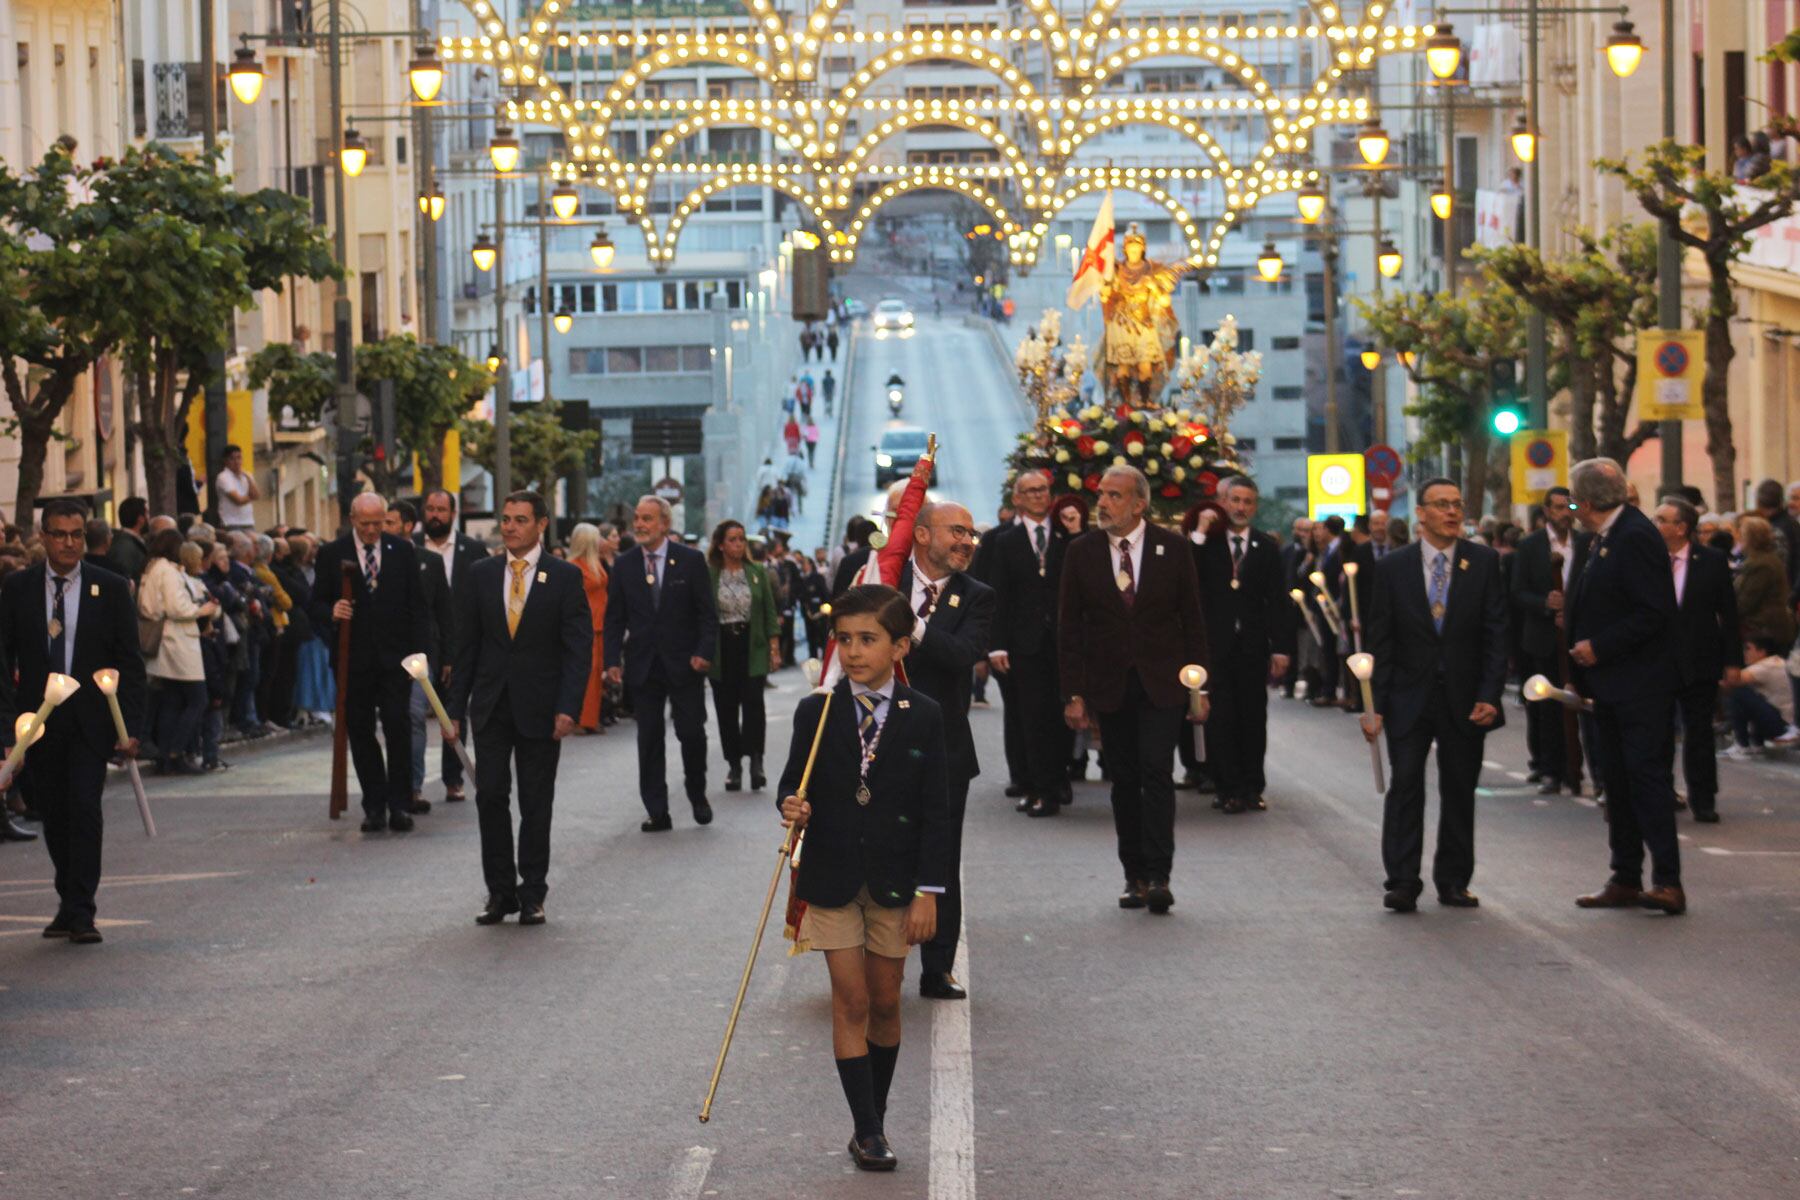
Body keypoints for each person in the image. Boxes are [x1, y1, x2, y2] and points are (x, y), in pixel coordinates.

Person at [776, 584, 951, 1173]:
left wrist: (930, 892)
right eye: (844, 639)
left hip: (897, 884)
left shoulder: (923, 715)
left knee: (884, 1001)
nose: (853, 652)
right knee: (848, 999)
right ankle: (869, 1129)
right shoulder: (816, 710)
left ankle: (871, 1114)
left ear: (899, 647)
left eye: (868, 640)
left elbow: (937, 813)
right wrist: (793, 806)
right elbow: (792, 783)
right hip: (830, 877)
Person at [1059, 466, 1208, 915]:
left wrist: (1200, 687)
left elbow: (1193, 621)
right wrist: (1074, 694)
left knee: (1157, 771)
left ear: (1139, 504)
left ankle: (1161, 874)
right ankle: (1134, 875)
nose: (1102, 503)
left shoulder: (1173, 548)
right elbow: (1069, 627)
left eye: (1114, 496)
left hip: (1162, 683)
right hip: (1110, 686)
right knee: (1123, 779)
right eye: (1100, 494)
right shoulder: (1081, 552)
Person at [0, 499, 146, 944]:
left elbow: (130, 661)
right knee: (55, 814)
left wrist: (131, 728)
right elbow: (3, 659)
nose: (69, 543)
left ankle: (82, 909)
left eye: (77, 534)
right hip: (38, 723)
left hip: (90, 723)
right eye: (60, 534)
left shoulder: (111, 586)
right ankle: (68, 898)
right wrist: (9, 726)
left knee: (84, 809)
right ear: (43, 536)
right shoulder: (18, 589)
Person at [443, 492, 591, 926]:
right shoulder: (481, 574)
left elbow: (577, 648)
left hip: (542, 708)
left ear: (541, 524)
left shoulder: (564, 577)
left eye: (520, 520)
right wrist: (454, 709)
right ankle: (499, 893)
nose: (510, 527)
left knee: (535, 802)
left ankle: (533, 893)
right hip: (490, 706)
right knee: (490, 796)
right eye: (505, 519)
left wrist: (569, 706)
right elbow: (465, 646)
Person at [1362, 479, 1508, 912]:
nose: (1451, 512)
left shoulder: (1482, 563)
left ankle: (1454, 880)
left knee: (1459, 788)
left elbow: (1496, 634)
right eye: (1441, 505)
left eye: (1457, 504)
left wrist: (1490, 693)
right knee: (1406, 785)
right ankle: (1403, 880)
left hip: (1464, 696)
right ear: (1421, 514)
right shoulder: (1393, 567)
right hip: (1409, 696)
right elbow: (1380, 640)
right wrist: (1375, 707)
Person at [1566, 458, 1686, 916]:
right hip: (1610, 686)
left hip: (1640, 685)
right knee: (1616, 783)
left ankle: (1668, 881)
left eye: (1574, 499)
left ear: (1589, 501)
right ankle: (1625, 876)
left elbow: (1652, 613)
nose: (1572, 507)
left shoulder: (1634, 536)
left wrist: (1598, 646)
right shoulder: (1602, 536)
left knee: (1645, 781)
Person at [895, 499, 993, 1000]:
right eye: (957, 531)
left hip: (945, 750)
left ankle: (938, 967)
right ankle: (880, 959)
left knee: (940, 856)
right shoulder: (883, 577)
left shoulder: (976, 596)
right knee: (884, 853)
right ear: (922, 535)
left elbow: (960, 656)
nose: (966, 541)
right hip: (881, 744)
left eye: (970, 534)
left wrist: (907, 624)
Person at [309, 492, 429, 833]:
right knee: (360, 731)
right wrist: (332, 611)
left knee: (398, 726)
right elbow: (314, 602)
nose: (373, 530)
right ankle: (374, 805)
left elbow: (417, 607)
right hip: (353, 661)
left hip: (395, 660)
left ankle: (400, 804)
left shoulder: (402, 551)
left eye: (378, 523)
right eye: (366, 524)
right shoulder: (332, 554)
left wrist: (419, 655)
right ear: (352, 520)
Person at [605, 495, 718, 831]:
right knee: (649, 738)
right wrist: (612, 659)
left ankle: (697, 793)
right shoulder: (624, 565)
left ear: (665, 524)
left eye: (647, 519)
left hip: (685, 664)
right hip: (643, 666)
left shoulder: (691, 560)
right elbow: (614, 619)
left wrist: (704, 652)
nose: (640, 524)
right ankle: (657, 809)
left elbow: (707, 616)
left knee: (691, 733)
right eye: (637, 518)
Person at [1188, 477, 1295, 814]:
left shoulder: (1266, 546)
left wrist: (1281, 647)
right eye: (1235, 500)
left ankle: (1252, 786)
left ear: (1255, 506)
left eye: (1248, 501)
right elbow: (1186, 573)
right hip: (1215, 646)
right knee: (1221, 718)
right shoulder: (1208, 545)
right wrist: (1201, 530)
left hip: (1252, 646)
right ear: (1223, 503)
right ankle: (1227, 786)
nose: (1240, 507)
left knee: (1252, 717)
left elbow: (1278, 600)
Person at [983, 471, 1070, 817]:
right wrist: (996, 646)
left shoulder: (1067, 534)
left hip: (1062, 642)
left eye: (1043, 490)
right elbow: (998, 596)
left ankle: (1059, 779)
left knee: (1062, 715)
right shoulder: (1006, 541)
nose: (1037, 496)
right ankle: (1037, 787)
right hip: (1024, 644)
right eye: (1030, 491)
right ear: (1017, 498)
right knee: (1032, 717)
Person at [1653, 496, 1742, 823]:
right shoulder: (1649, 560)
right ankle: (1661, 793)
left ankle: (1703, 798)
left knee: (1699, 734)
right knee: (1658, 734)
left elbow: (1729, 615)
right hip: (1658, 662)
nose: (1656, 524)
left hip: (1700, 660)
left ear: (1681, 527)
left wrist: (1733, 661)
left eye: (1663, 519)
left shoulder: (1712, 560)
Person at [1512, 485, 1593, 795]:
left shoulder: (1585, 543)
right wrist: (1546, 604)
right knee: (1547, 706)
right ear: (1546, 511)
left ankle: (1580, 766)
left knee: (1580, 702)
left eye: (1569, 507)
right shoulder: (1530, 546)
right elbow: (1518, 591)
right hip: (1544, 638)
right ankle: (1550, 768)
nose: (1564, 514)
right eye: (1558, 508)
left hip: (1579, 637)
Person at [417, 488, 487, 801]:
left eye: (441, 510)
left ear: (453, 514)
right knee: (415, 715)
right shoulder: (411, 549)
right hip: (422, 646)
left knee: (455, 712)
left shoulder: (473, 550)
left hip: (461, 644)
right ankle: (412, 785)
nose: (435, 515)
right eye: (430, 509)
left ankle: (453, 777)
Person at [386, 500, 451, 814]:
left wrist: (448, 656)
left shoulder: (429, 562)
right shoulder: (376, 561)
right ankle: (391, 789)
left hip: (418, 655)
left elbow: (443, 612)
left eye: (389, 521)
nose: (383, 528)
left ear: (407, 525)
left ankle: (413, 788)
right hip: (383, 654)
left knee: (413, 717)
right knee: (392, 720)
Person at [707, 520, 781, 791]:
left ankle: (756, 761)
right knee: (726, 708)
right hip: (722, 648)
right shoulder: (710, 574)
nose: (738, 544)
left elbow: (770, 612)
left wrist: (774, 648)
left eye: (741, 539)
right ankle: (734, 765)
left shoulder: (757, 572)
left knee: (754, 705)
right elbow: (703, 614)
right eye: (733, 539)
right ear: (720, 544)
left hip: (753, 646)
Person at [139, 530, 220, 775]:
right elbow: (178, 607)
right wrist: (202, 609)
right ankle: (176, 751)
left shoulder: (151, 569)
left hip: (167, 638)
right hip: (179, 638)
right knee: (197, 699)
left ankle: (166, 756)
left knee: (172, 701)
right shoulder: (168, 571)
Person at [567, 523, 610, 734]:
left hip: (599, 623)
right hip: (587, 624)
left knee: (596, 674)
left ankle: (591, 718)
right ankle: (580, 718)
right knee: (587, 672)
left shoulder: (594, 563)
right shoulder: (574, 566)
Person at [1724, 636, 1800, 750]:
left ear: (1762, 651)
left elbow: (1733, 681)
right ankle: (1754, 741)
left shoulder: (1767, 665)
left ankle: (1742, 744)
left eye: (1748, 649)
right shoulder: (1777, 661)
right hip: (1783, 720)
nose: (1745, 653)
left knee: (1737, 692)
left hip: (1782, 725)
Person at [1733, 515, 1796, 647]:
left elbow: (1747, 602)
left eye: (1742, 535)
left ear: (1750, 538)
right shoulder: (1763, 560)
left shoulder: (1761, 564)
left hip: (1764, 630)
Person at [214, 444, 260, 531]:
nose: (237, 462)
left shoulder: (247, 475)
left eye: (239, 458)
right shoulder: (223, 477)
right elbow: (239, 500)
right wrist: (252, 496)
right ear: (225, 460)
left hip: (248, 522)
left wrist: (248, 477)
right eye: (232, 458)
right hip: (230, 523)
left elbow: (257, 495)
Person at [107, 497, 151, 584]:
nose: (149, 518)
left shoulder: (126, 542)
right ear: (140, 519)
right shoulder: (125, 547)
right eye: (147, 514)